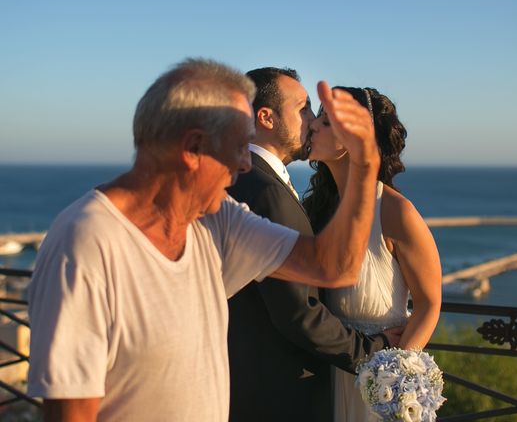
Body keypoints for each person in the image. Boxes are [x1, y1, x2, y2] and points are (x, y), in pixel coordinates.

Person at [26, 59, 381, 422]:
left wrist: (365, 165)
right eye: (240, 146)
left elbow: (333, 267)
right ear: (193, 147)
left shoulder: (218, 220)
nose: (246, 164)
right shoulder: (85, 244)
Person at [227, 67, 401, 422]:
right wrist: (377, 350)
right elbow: (298, 312)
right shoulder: (266, 192)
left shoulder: (254, 181)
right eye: (304, 109)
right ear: (267, 118)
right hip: (280, 393)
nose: (311, 121)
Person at [303, 86, 442, 422]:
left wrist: (398, 376)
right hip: (327, 370)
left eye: (325, 121)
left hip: (378, 382)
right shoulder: (316, 209)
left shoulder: (396, 212)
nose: (312, 126)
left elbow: (429, 303)